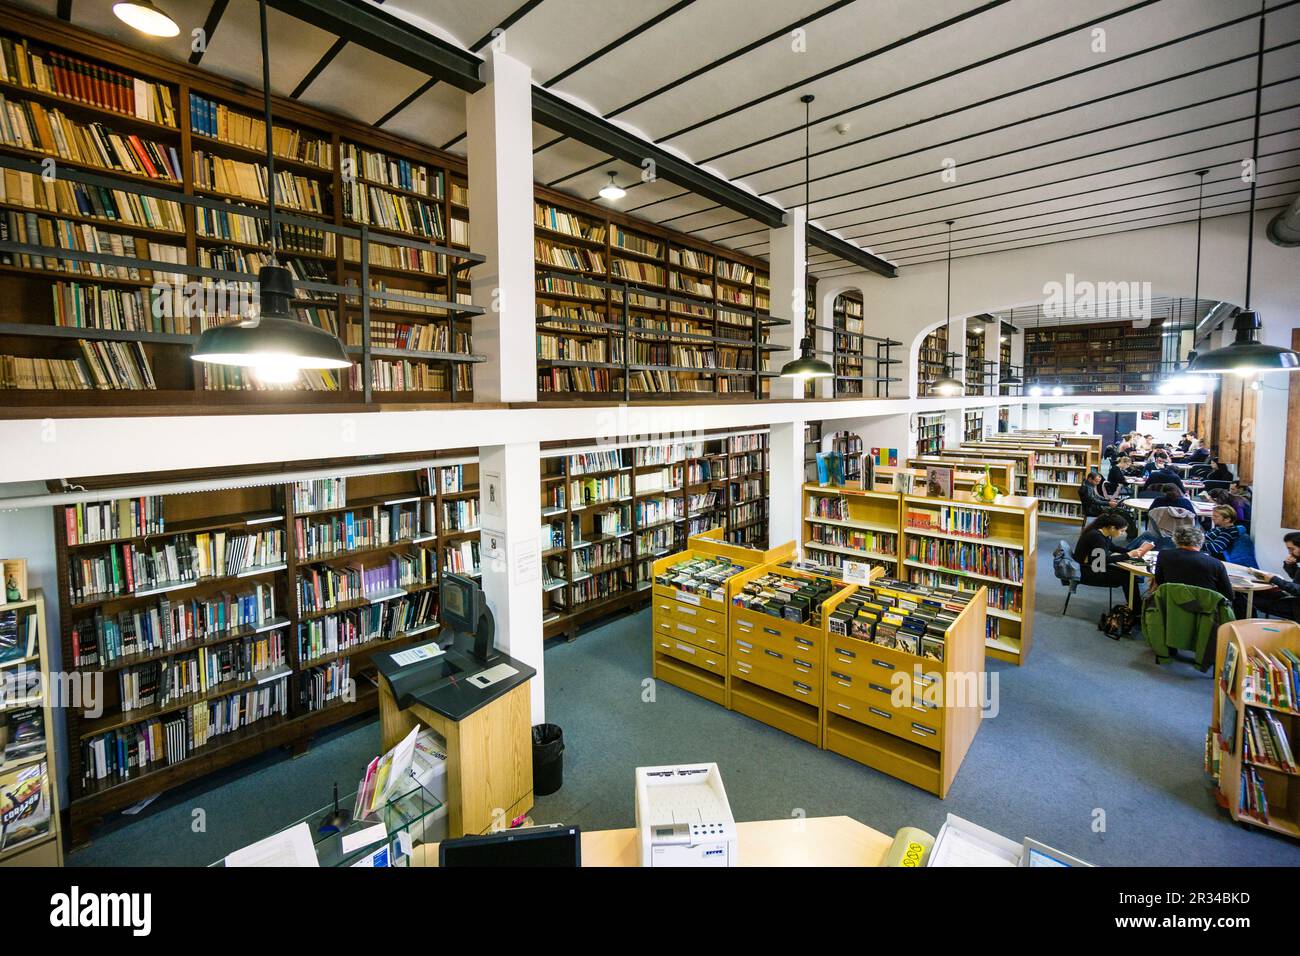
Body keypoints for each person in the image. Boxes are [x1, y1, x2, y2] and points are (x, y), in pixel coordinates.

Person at [1074, 513, 1151, 599]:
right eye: (1122, 531)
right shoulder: (1097, 537)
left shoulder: (1101, 533)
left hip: (1093, 566)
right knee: (1128, 577)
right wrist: (1128, 555)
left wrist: (1133, 552)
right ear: (1112, 528)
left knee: (1129, 574)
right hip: (1086, 571)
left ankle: (1134, 606)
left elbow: (1113, 547)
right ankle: (1136, 608)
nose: (1123, 534)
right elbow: (1103, 560)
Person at [1151, 526, 1234, 604]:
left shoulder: (1164, 556)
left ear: (1175, 540)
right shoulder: (1216, 564)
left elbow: (1160, 582)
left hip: (1171, 606)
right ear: (1201, 541)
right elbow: (1228, 595)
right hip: (1206, 610)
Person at [1247, 531, 1300, 621]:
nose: (1290, 553)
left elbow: (1298, 589)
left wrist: (1274, 579)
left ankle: (1247, 627)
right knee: (1255, 595)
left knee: (1248, 600)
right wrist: (1290, 565)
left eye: (1292, 549)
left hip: (1297, 607)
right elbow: (1296, 578)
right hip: (1294, 599)